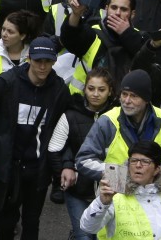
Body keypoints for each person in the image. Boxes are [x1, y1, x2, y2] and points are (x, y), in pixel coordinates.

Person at [0, 36, 72, 240]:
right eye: (38, 61)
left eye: (48, 61)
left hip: (37, 168)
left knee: (31, 222)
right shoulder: (5, 83)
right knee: (5, 221)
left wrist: (63, 165)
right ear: (29, 59)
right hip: (7, 166)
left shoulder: (60, 90)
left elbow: (66, 129)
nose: (43, 66)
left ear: (54, 61)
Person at [76, 68, 161, 184]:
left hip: (155, 197)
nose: (126, 101)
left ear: (146, 99)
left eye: (134, 96)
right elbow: (83, 160)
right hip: (116, 196)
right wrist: (120, 176)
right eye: (124, 94)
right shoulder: (107, 121)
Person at [47, 67, 117, 240]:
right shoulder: (70, 115)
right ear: (84, 89)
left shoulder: (119, 117)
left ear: (110, 92)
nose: (95, 94)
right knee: (84, 237)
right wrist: (65, 171)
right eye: (91, 88)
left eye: (101, 90)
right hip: (78, 192)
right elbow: (54, 149)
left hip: (111, 190)